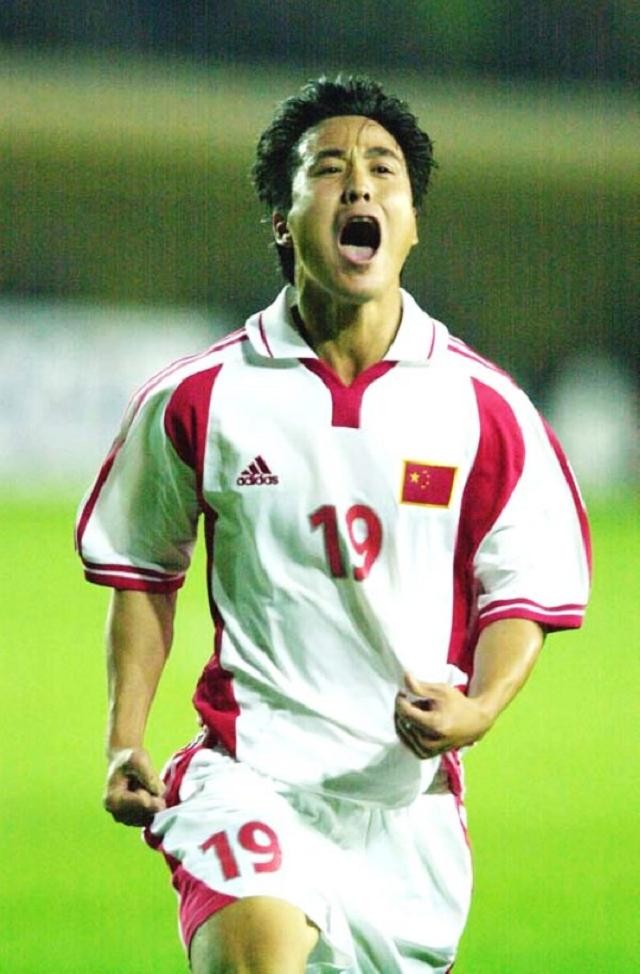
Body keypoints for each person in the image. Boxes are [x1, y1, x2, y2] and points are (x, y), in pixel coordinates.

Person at [76, 76, 591, 974]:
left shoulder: (485, 408)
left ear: (412, 222)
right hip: (250, 779)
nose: (358, 184)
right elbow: (143, 569)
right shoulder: (202, 397)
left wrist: (478, 708)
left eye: (383, 169)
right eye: (327, 169)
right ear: (282, 221)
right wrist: (126, 738)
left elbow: (522, 589)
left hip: (405, 813)